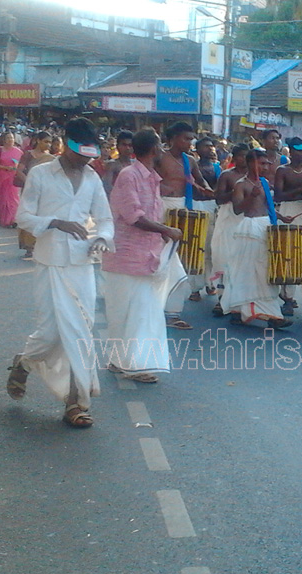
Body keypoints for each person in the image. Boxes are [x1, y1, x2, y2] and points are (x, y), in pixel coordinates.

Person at [6, 117, 113, 429]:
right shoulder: (41, 174)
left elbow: (104, 219)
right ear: (66, 144)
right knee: (51, 333)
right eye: (81, 153)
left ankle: (76, 403)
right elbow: (23, 216)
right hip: (50, 262)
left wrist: (102, 240)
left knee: (79, 334)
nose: (85, 160)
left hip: (82, 265)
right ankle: (23, 362)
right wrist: (54, 222)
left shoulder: (93, 179)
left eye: (90, 154)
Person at [103, 128, 183, 384]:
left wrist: (162, 235)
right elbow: (134, 217)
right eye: (159, 145)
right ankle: (135, 365)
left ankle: (121, 361)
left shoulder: (150, 177)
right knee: (133, 314)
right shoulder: (130, 176)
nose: (162, 149)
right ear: (154, 150)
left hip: (144, 256)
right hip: (127, 257)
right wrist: (166, 230)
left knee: (135, 313)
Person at [220, 148, 292, 328]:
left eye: (267, 163)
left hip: (266, 226)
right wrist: (251, 196)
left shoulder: (265, 182)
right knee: (247, 271)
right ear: (251, 163)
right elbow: (237, 209)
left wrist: (282, 217)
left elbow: (267, 205)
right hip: (249, 228)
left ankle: (264, 312)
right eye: (262, 163)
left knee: (265, 270)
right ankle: (255, 312)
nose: (266, 166)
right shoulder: (241, 184)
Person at [154, 121, 213, 330]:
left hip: (182, 212)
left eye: (191, 139)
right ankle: (158, 309)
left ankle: (172, 311)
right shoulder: (159, 157)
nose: (190, 142)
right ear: (173, 139)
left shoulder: (190, 161)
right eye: (186, 138)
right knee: (158, 261)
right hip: (159, 210)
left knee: (177, 263)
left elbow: (201, 182)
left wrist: (205, 189)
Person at [274, 137, 302, 316]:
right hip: (288, 213)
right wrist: (299, 192)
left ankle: (300, 295)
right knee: (287, 254)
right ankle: (287, 297)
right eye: (300, 151)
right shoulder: (282, 171)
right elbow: (278, 196)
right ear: (291, 152)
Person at [210, 143, 249, 317]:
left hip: (246, 220)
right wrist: (235, 192)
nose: (244, 159)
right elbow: (218, 198)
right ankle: (221, 299)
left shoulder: (254, 177)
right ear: (234, 157)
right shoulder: (227, 175)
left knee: (242, 260)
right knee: (224, 257)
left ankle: (239, 301)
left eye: (247, 156)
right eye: (241, 156)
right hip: (228, 219)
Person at [188, 136, 221, 301]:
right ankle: (194, 288)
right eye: (206, 146)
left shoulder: (217, 168)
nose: (210, 149)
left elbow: (219, 189)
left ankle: (210, 284)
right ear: (198, 150)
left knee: (209, 248)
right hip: (195, 206)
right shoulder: (192, 166)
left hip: (211, 207)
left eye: (212, 146)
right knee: (195, 248)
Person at [14, 131, 55, 259]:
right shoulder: (28, 155)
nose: (48, 145)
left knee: (42, 216)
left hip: (45, 192)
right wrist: (31, 183)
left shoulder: (52, 158)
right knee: (29, 216)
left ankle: (41, 245)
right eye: (46, 141)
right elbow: (19, 171)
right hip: (29, 190)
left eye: (50, 142)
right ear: (38, 141)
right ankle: (29, 247)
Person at [0, 131, 23, 228]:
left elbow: (22, 164)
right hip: (2, 177)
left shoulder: (18, 151)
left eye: (12, 138)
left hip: (13, 178)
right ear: (4, 140)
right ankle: (2, 219)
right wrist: (5, 168)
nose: (10, 140)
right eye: (8, 138)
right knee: (2, 199)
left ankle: (12, 219)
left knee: (13, 199)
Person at [102, 130, 134, 196]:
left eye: (130, 145)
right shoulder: (112, 165)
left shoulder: (137, 165)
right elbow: (107, 188)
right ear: (117, 146)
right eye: (124, 145)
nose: (127, 148)